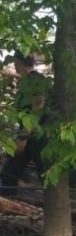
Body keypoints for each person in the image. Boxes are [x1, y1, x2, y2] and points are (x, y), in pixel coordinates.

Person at [1, 51, 50, 196]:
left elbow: (37, 108)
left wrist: (23, 137)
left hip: (38, 135)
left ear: (17, 62)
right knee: (9, 172)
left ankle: (54, 209)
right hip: (26, 132)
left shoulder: (36, 80)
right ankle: (8, 206)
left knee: (45, 174)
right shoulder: (25, 81)